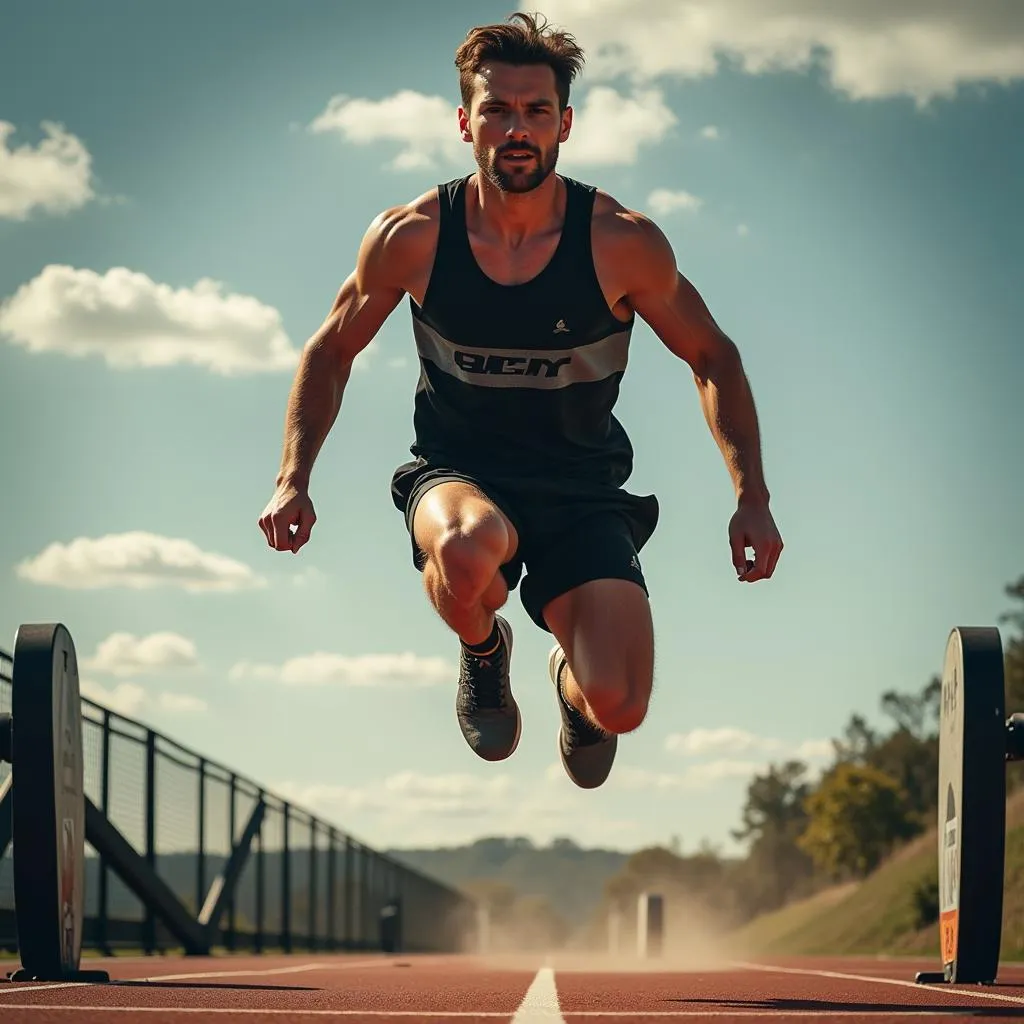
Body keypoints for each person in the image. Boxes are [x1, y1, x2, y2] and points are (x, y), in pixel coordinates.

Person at [258, 12, 783, 790]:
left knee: (623, 704)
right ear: (464, 120)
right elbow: (332, 348)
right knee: (468, 548)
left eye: (536, 111)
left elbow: (713, 356)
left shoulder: (620, 242)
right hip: (460, 473)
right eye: (496, 109)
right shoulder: (411, 237)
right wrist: (293, 476)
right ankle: (482, 650)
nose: (516, 128)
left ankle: (570, 687)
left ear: (565, 124)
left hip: (580, 488)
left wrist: (752, 496)